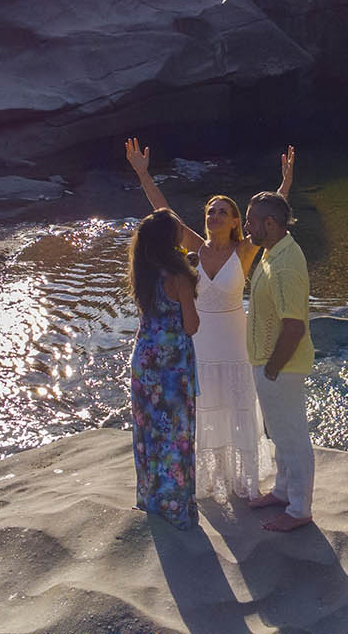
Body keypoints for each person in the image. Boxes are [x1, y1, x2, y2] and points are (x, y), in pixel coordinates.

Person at [124, 138, 294, 501]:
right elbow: (163, 212)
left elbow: (271, 220)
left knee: (238, 407)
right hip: (199, 343)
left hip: (235, 341)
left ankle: (244, 482)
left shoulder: (245, 250)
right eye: (210, 211)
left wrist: (285, 185)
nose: (213, 216)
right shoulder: (194, 248)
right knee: (204, 412)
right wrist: (143, 173)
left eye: (221, 212)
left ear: (235, 221)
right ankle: (208, 479)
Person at [243, 191, 316, 532]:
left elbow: (294, 325)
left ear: (269, 224)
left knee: (292, 438)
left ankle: (299, 509)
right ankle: (284, 492)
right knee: (281, 435)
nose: (245, 226)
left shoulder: (284, 263)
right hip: (269, 363)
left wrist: (272, 367)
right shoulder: (274, 251)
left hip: (280, 367)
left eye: (250, 220)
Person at [127, 208, 201, 530]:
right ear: (171, 239)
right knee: (177, 434)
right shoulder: (179, 276)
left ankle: (153, 499)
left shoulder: (142, 270)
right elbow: (192, 325)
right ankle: (177, 506)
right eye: (179, 227)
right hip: (172, 366)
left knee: (150, 432)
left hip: (145, 361)